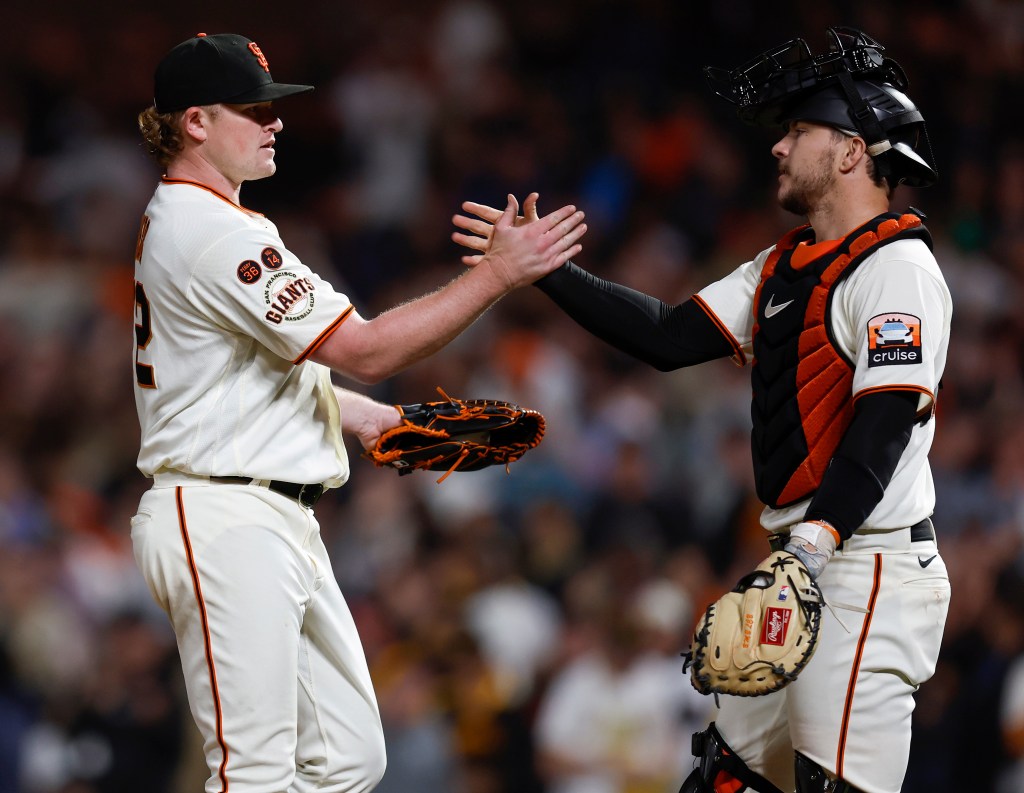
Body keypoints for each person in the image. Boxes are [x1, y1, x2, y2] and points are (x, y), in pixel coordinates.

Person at [453, 27, 951, 793]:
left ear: (853, 150)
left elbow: (882, 424)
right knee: (729, 777)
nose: (779, 148)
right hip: (809, 560)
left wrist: (812, 546)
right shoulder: (783, 266)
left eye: (799, 130)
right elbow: (665, 335)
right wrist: (540, 268)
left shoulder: (899, 267)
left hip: (868, 564)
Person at [130, 32, 585, 793]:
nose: (275, 123)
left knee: (349, 760)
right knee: (253, 775)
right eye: (253, 109)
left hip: (269, 512)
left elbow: (232, 380)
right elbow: (368, 347)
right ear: (196, 122)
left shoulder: (192, 222)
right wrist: (498, 275)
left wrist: (366, 418)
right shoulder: (213, 231)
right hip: (224, 516)